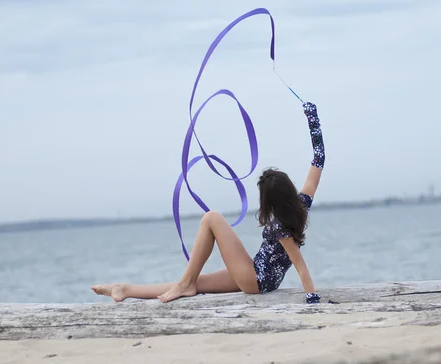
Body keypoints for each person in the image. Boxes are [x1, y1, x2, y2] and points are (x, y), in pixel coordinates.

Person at [91, 101, 325, 304]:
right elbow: (319, 158)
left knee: (211, 218)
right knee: (198, 282)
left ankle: (184, 283)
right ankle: (125, 289)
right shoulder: (302, 203)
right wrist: (311, 116)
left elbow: (300, 265)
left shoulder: (280, 227)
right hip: (256, 274)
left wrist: (312, 298)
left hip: (255, 280)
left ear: (270, 202)